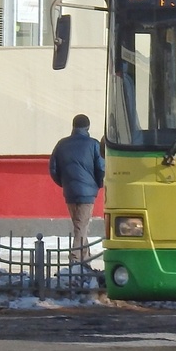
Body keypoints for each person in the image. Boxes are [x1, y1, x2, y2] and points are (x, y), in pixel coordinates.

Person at [49, 114, 105, 266]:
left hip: (70, 191)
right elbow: (101, 168)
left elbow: (53, 168)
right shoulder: (93, 145)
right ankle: (75, 259)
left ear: (73, 126)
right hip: (87, 193)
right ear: (88, 127)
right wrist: (98, 184)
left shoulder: (62, 144)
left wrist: (64, 183)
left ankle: (84, 260)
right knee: (81, 226)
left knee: (80, 225)